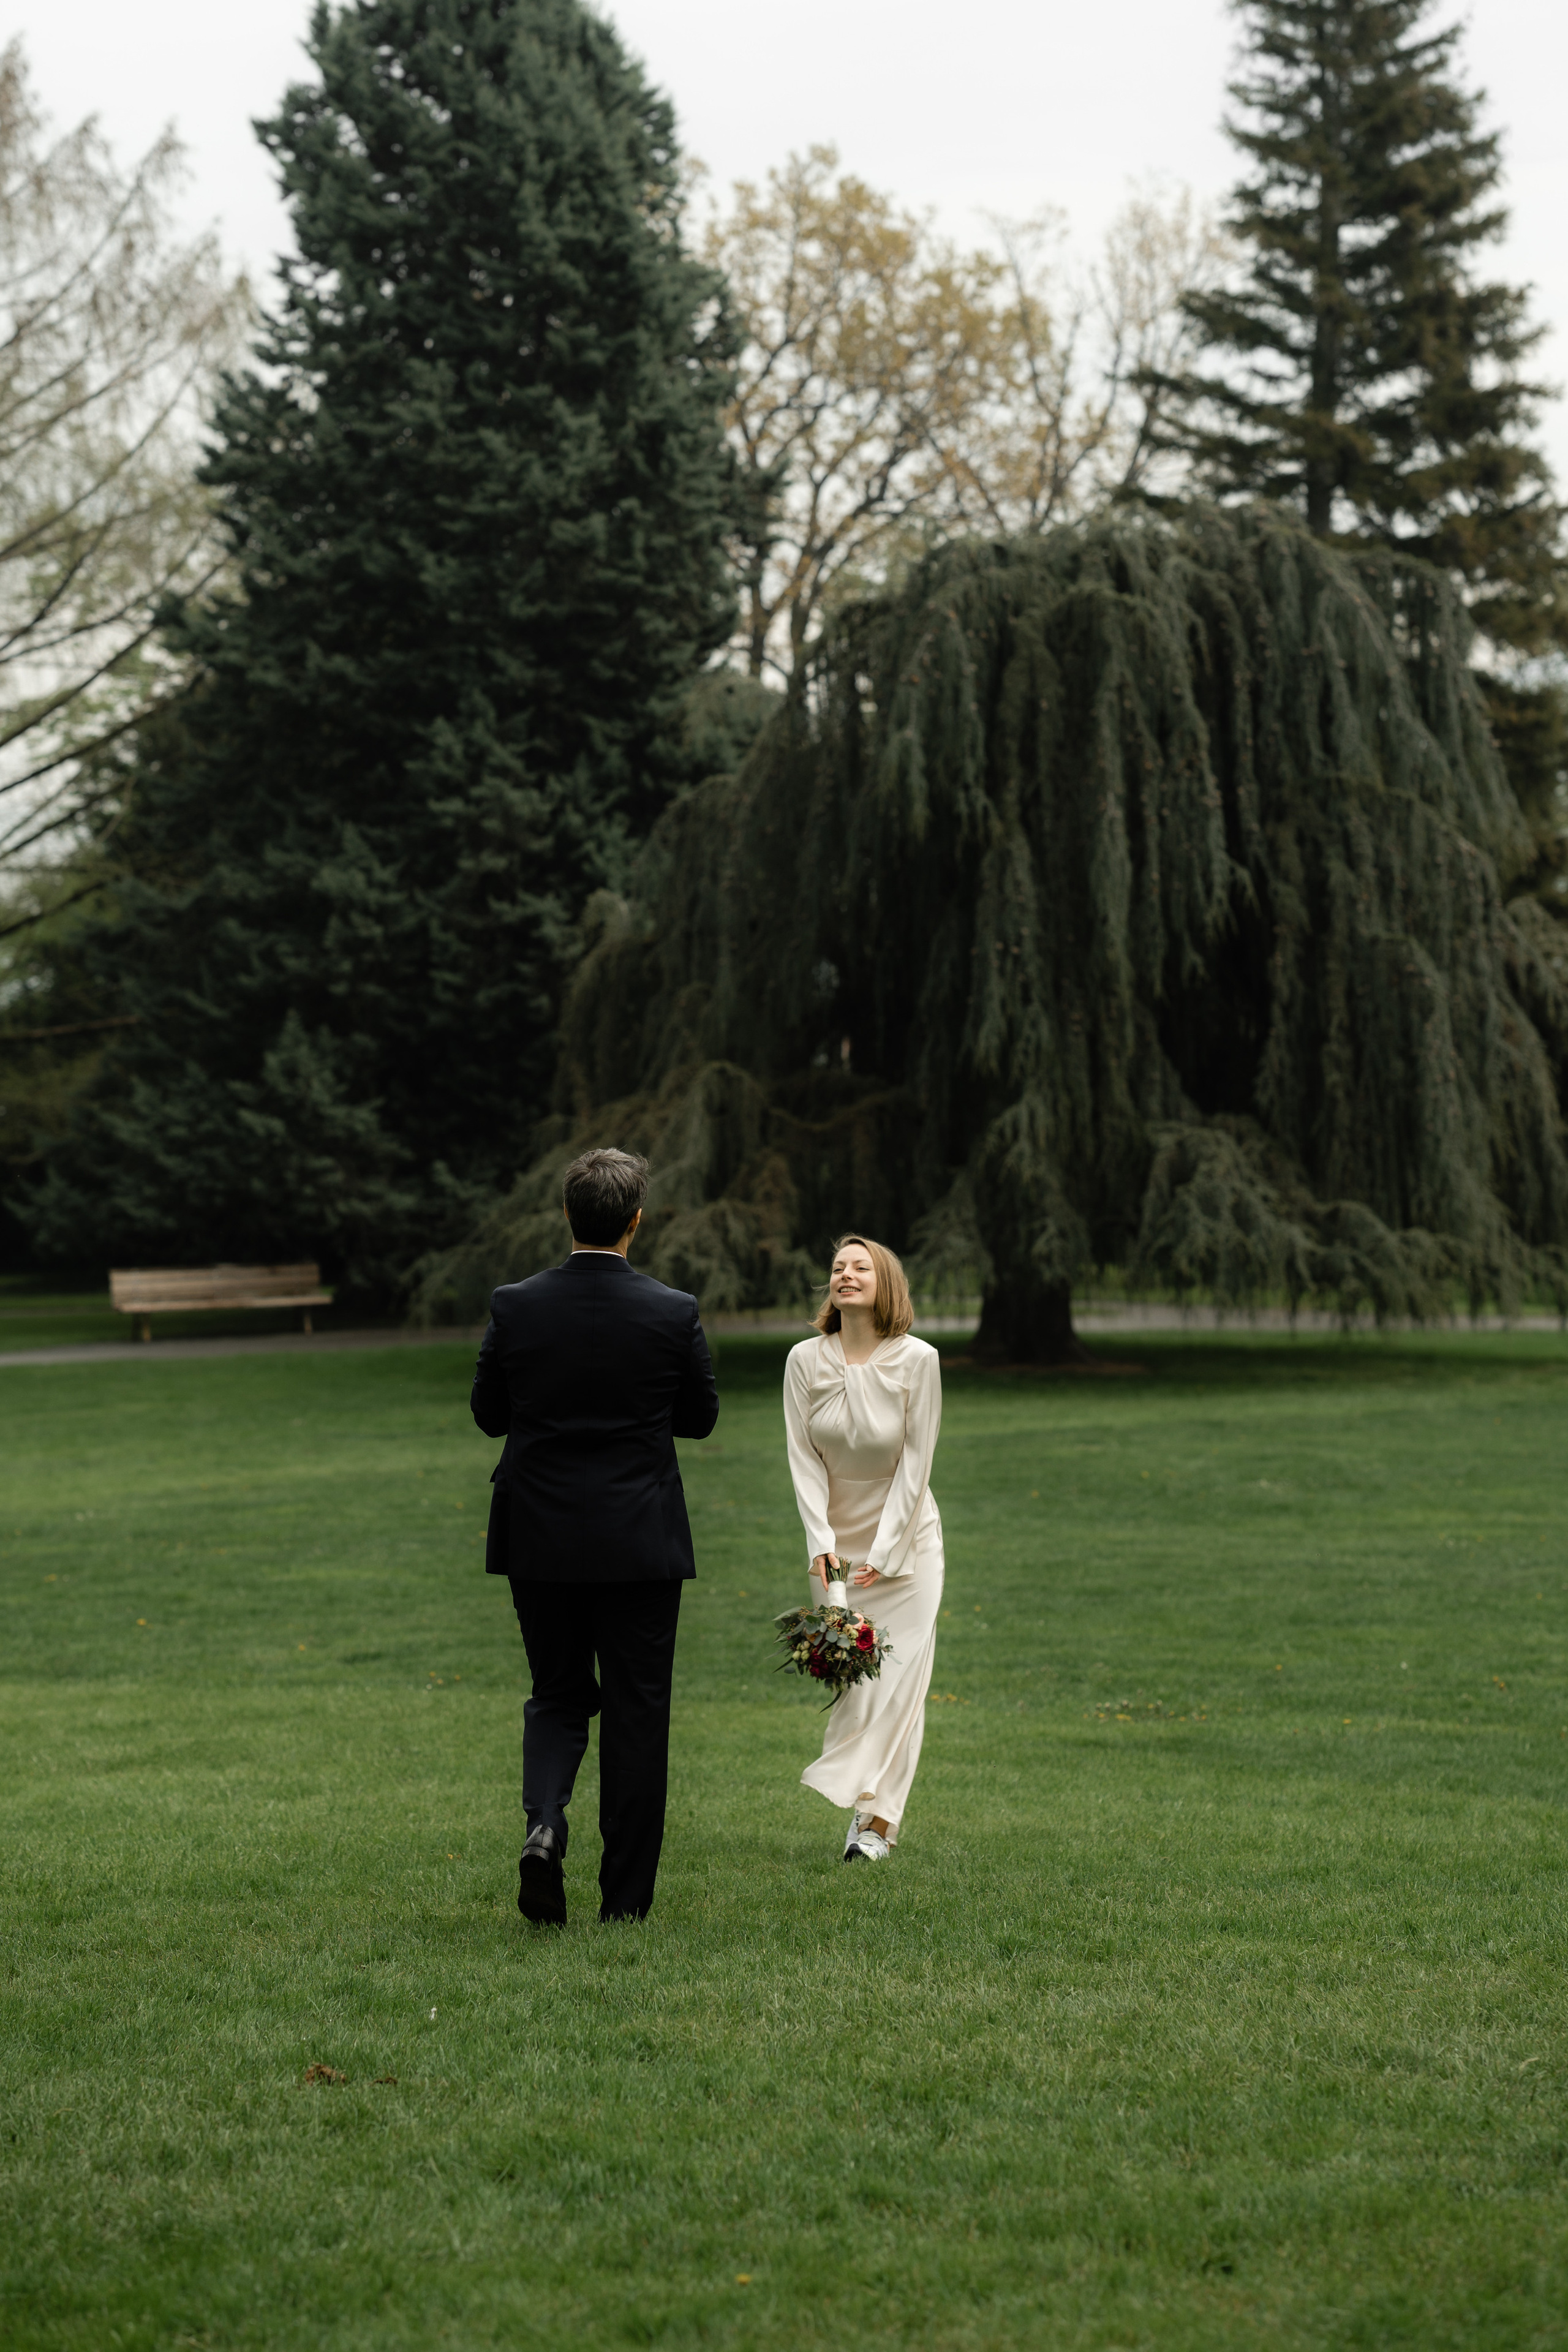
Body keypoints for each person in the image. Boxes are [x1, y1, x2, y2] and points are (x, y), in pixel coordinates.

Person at [470, 1147, 718, 1926]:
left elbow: (487, 1413)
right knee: (639, 1711)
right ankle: (625, 1905)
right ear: (636, 1221)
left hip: (538, 1534)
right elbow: (700, 1417)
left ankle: (545, 1821)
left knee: (557, 1692)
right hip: (639, 1538)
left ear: (567, 1215)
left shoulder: (515, 1304)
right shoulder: (672, 1310)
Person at [783, 1234, 943, 1862]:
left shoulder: (918, 1360)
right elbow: (801, 1460)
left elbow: (916, 1461)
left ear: (885, 1285)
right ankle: (862, 1801)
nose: (845, 1276)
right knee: (856, 1685)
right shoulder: (803, 1361)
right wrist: (822, 1545)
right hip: (835, 1549)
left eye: (860, 1268)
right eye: (837, 1268)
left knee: (901, 1686)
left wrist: (889, 1549)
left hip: (907, 1547)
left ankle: (876, 1826)